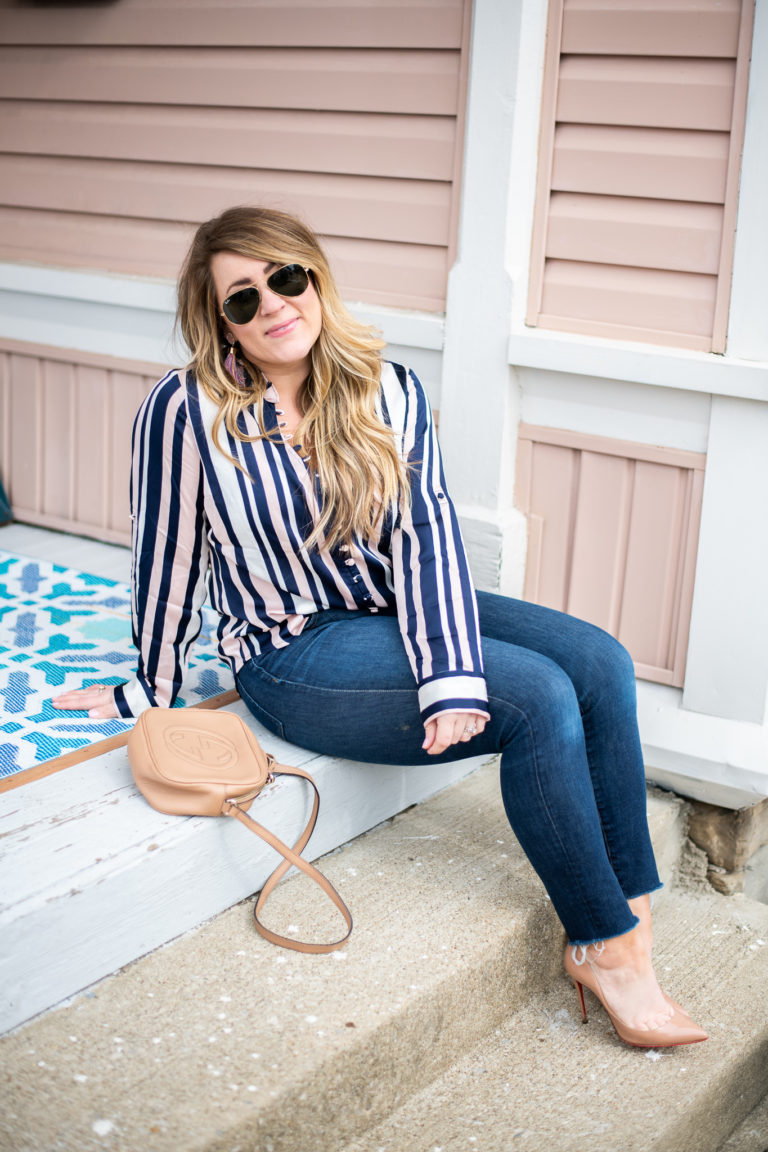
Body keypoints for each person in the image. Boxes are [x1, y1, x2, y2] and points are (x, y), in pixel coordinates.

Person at [53, 205, 706, 1049]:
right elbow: (166, 556)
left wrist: (449, 672)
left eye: (285, 279)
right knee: (540, 698)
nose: (273, 306)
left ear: (315, 278)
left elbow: (427, 533)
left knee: (600, 660)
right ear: (221, 320)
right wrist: (151, 686)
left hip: (388, 609)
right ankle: (604, 946)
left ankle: (630, 910)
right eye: (242, 299)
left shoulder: (385, 386)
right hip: (292, 650)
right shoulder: (187, 411)